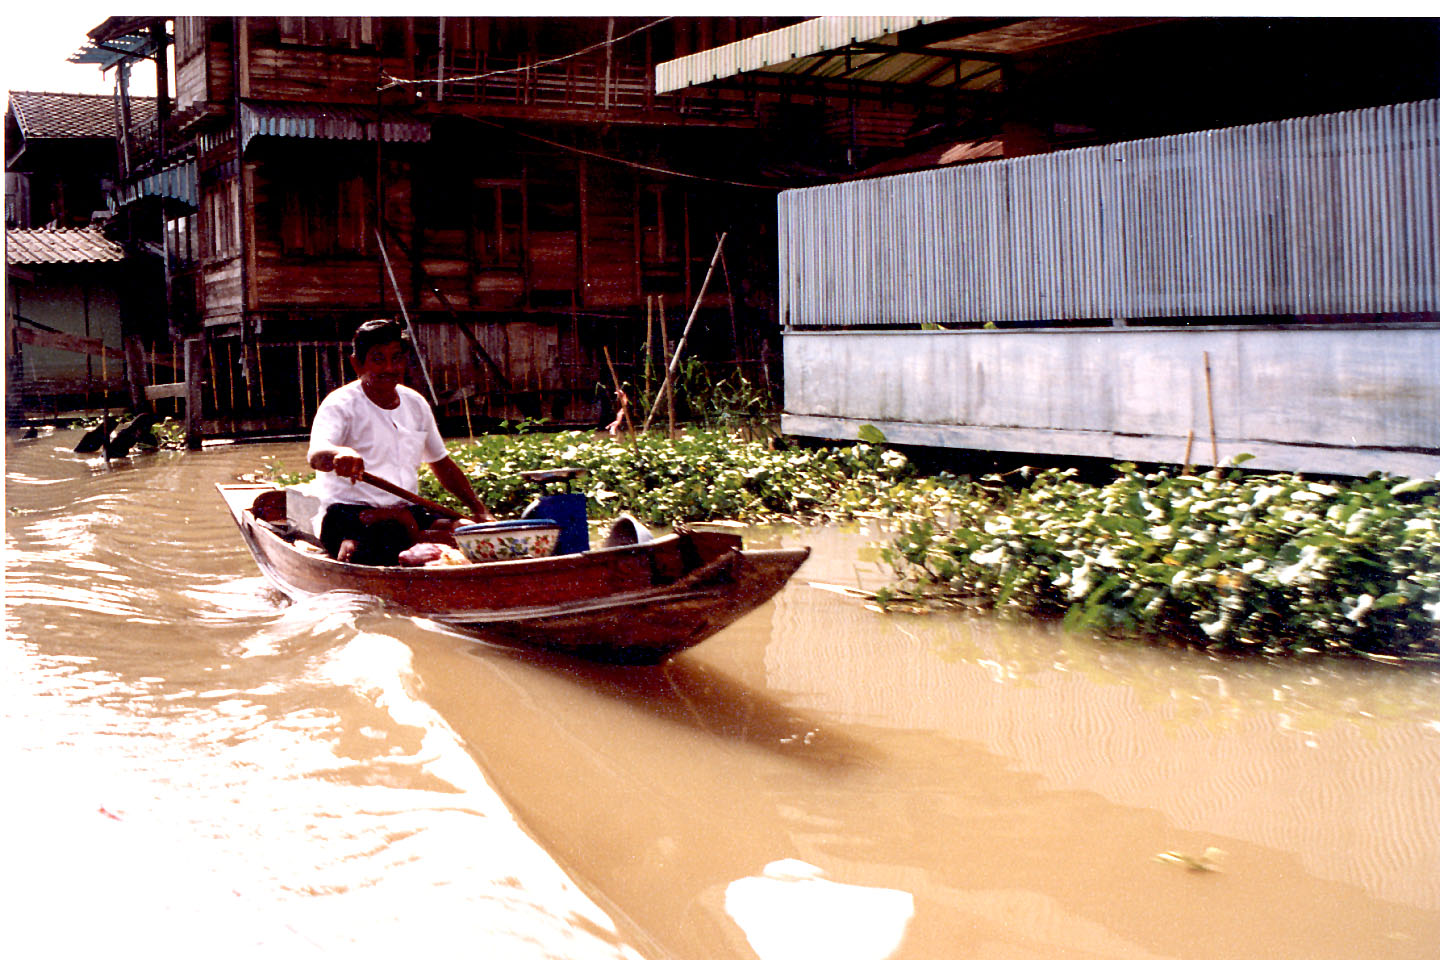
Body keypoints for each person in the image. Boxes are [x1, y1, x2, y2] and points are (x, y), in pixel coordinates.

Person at [308, 319, 493, 565]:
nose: (389, 367)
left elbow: (441, 463)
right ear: (356, 364)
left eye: (396, 358)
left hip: (407, 511)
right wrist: (340, 453)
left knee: (466, 529)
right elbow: (317, 455)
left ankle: (419, 545)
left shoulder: (415, 403)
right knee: (391, 537)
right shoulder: (339, 404)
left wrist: (479, 509)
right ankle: (353, 546)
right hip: (350, 514)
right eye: (378, 359)